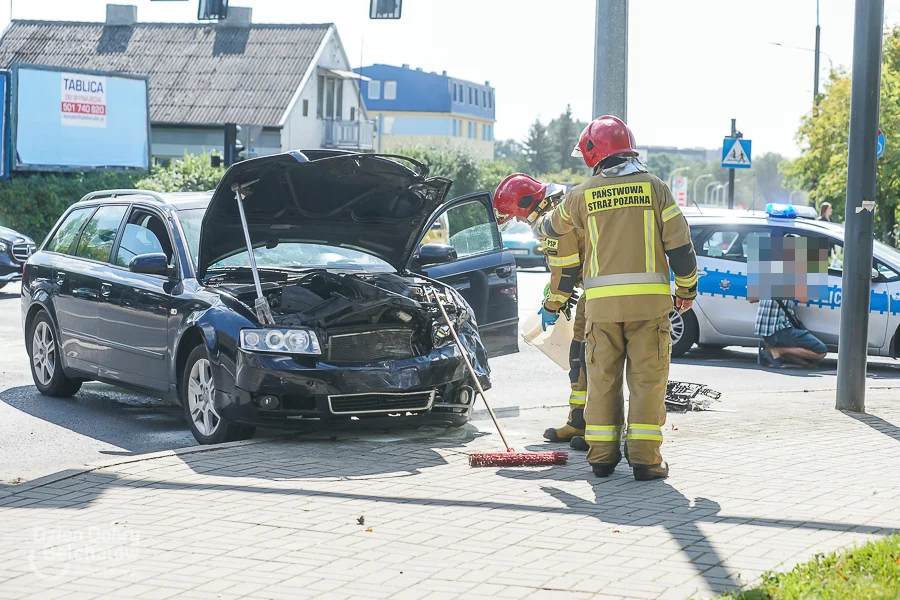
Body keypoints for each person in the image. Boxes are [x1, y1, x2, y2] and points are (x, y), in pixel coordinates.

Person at [532, 115, 698, 481]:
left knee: (602, 381)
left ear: (594, 154)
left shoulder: (581, 194)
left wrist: (537, 222)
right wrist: (686, 290)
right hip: (650, 309)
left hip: (602, 312)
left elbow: (551, 227)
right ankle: (645, 460)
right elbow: (681, 246)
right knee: (647, 382)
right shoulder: (655, 188)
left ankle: (602, 458)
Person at [494, 174, 588, 447]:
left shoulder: (556, 222)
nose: (523, 223)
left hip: (599, 295)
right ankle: (578, 422)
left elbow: (566, 269)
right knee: (579, 361)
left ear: (528, 205)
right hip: (594, 293)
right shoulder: (561, 211)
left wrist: (553, 304)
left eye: (520, 217)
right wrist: (556, 296)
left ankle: (593, 428)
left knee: (586, 361)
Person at [754, 299, 827, 368]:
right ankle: (777, 351)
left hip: (765, 332)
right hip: (779, 330)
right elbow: (804, 299)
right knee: (821, 351)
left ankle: (775, 350)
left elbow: (752, 298)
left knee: (811, 361)